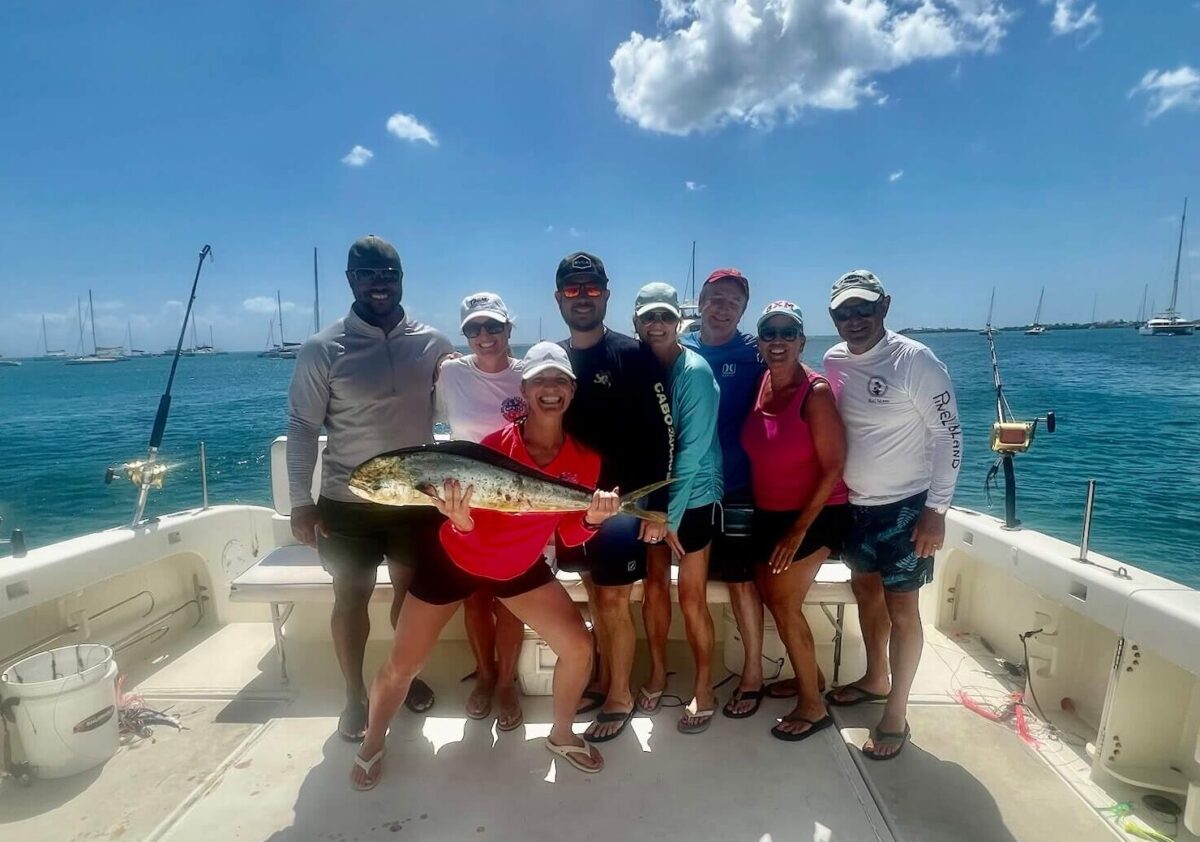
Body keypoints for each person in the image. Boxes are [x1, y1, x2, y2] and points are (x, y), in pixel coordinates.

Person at [350, 342, 619, 790]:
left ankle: (561, 733)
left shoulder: (586, 461)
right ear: (524, 388)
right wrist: (459, 521)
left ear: (571, 390)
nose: (549, 390)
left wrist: (592, 518)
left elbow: (570, 535)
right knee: (403, 665)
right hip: (457, 557)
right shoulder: (494, 447)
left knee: (578, 646)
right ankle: (372, 740)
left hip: (519, 567)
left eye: (559, 381)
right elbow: (466, 529)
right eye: (539, 381)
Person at [287, 234, 452, 741]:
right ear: (351, 281)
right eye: (368, 274)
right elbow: (301, 426)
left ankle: (405, 677)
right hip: (346, 500)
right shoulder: (322, 348)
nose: (380, 284)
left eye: (389, 274)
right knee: (350, 598)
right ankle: (355, 695)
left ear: (402, 279)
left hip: (414, 502)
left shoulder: (434, 343)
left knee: (411, 596)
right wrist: (300, 502)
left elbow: (455, 413)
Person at [822, 270, 962, 760]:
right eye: (844, 312)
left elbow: (950, 437)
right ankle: (876, 676)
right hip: (857, 507)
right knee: (866, 594)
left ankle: (896, 711)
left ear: (884, 306)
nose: (854, 319)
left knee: (903, 609)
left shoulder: (916, 360)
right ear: (833, 317)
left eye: (864, 308)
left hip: (907, 508)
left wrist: (936, 511)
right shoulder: (834, 360)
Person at [552, 252, 675, 743]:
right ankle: (604, 681)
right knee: (592, 597)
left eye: (591, 289)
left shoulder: (633, 354)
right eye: (573, 290)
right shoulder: (553, 357)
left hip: (623, 506)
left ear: (606, 293)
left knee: (612, 602)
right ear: (558, 297)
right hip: (567, 506)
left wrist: (660, 508)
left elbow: (664, 434)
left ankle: (619, 695)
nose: (583, 297)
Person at [742, 301, 850, 741]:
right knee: (770, 596)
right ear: (761, 341)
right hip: (769, 513)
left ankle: (813, 706)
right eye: (770, 333)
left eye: (789, 333)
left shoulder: (816, 393)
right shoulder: (760, 381)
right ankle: (814, 677)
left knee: (784, 603)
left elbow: (833, 468)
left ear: (802, 341)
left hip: (817, 515)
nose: (779, 340)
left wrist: (798, 531)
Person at [679, 268, 774, 719]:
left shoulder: (756, 354)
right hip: (687, 488)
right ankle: (690, 678)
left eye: (732, 301)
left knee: (741, 582)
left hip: (737, 485)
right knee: (685, 587)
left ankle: (752, 672)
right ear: (700, 299)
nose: (722, 306)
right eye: (715, 298)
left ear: (743, 310)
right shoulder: (678, 346)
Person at [633, 282, 724, 734]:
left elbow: (691, 450)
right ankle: (655, 671)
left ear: (678, 323)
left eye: (666, 317)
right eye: (649, 317)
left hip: (694, 497)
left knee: (691, 597)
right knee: (653, 590)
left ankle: (704, 685)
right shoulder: (638, 367)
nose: (657, 325)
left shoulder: (694, 372)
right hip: (654, 498)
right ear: (636, 322)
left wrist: (669, 516)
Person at [435, 292, 527, 730]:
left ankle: (507, 681)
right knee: (475, 598)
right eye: (474, 328)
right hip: (463, 508)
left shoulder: (530, 377)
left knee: (511, 600)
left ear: (510, 328)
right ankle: (485, 675)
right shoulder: (450, 372)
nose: (484, 336)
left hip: (517, 507)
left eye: (493, 326)